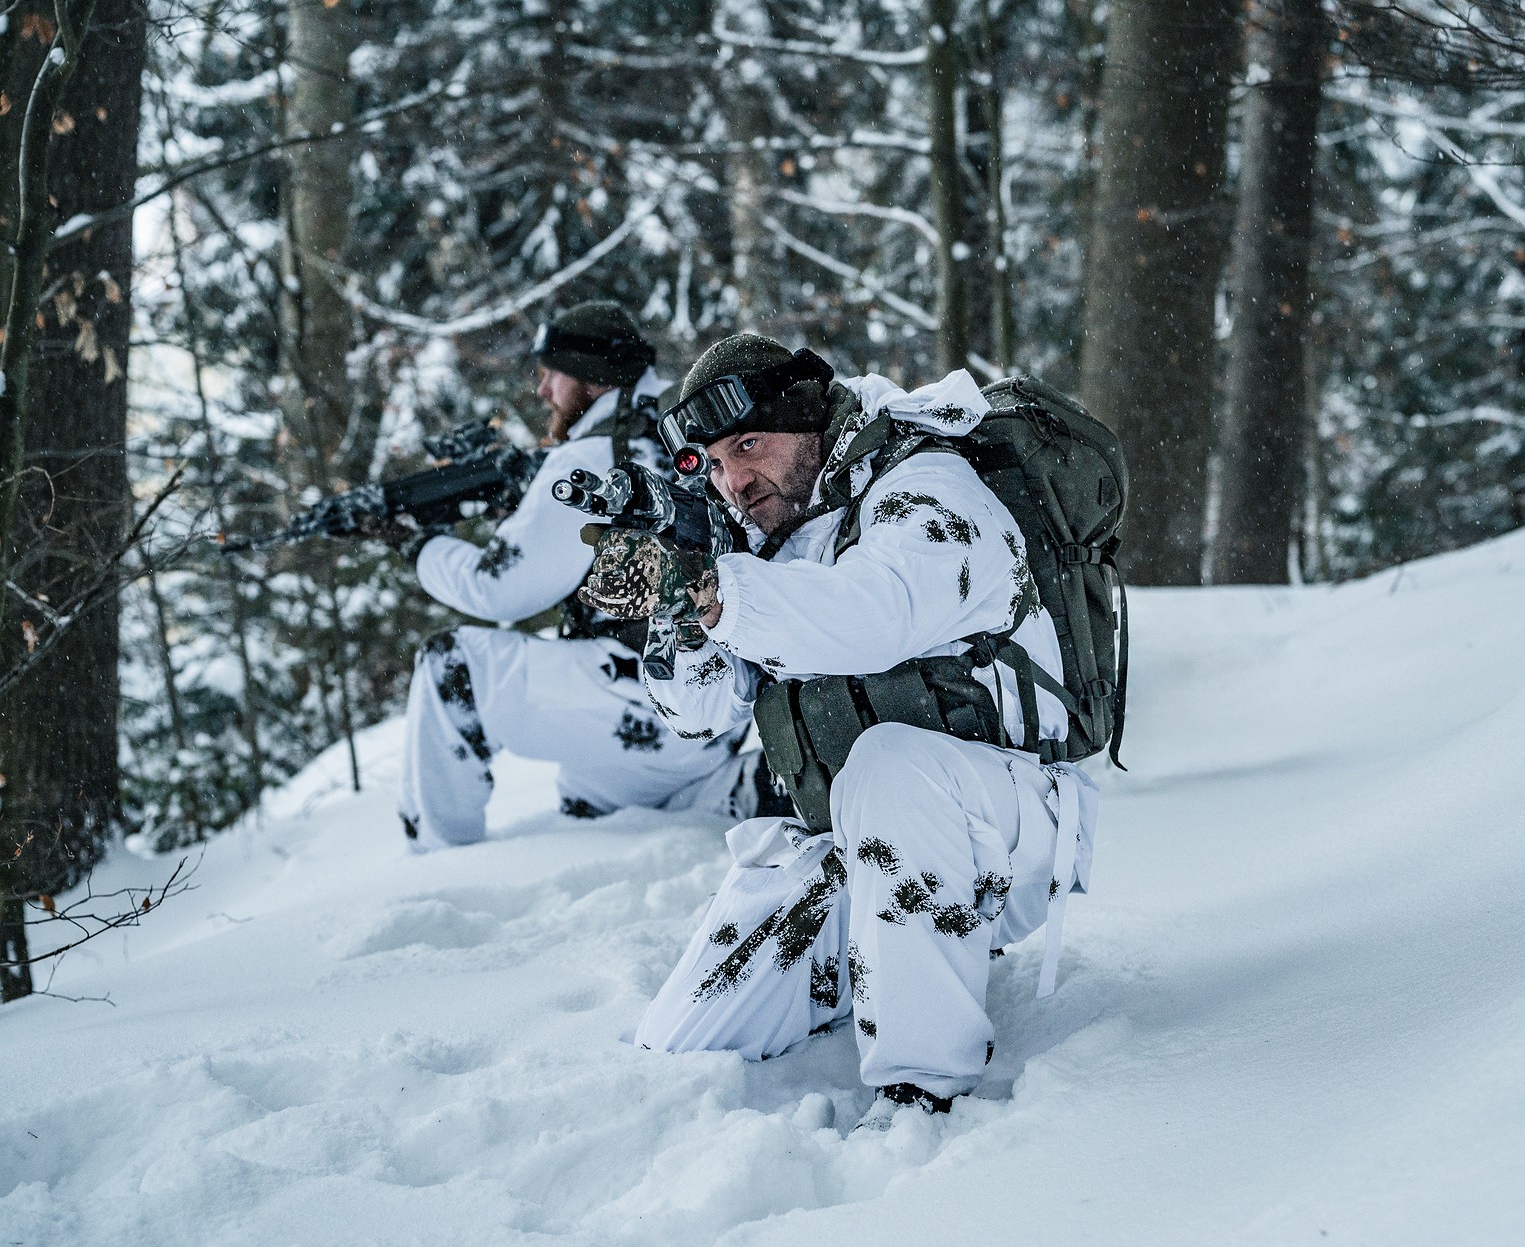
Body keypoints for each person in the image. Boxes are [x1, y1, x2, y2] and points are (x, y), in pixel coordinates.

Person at [576, 334, 1099, 1117]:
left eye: (749, 445)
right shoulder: (767, 536)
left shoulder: (927, 485)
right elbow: (700, 712)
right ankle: (885, 965)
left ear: (810, 420)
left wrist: (718, 590)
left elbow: (875, 617)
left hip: (1014, 827)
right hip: (859, 846)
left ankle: (925, 1087)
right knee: (686, 1047)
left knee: (891, 764)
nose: (735, 480)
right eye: (715, 463)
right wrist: (678, 604)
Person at [385, 302, 748, 849]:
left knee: (453, 666)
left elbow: (497, 587)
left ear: (595, 379)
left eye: (553, 374)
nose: (543, 391)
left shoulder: (593, 455)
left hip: (653, 697)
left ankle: (439, 861)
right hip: (715, 706)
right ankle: (736, 794)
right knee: (589, 800)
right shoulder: (680, 428)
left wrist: (419, 548)